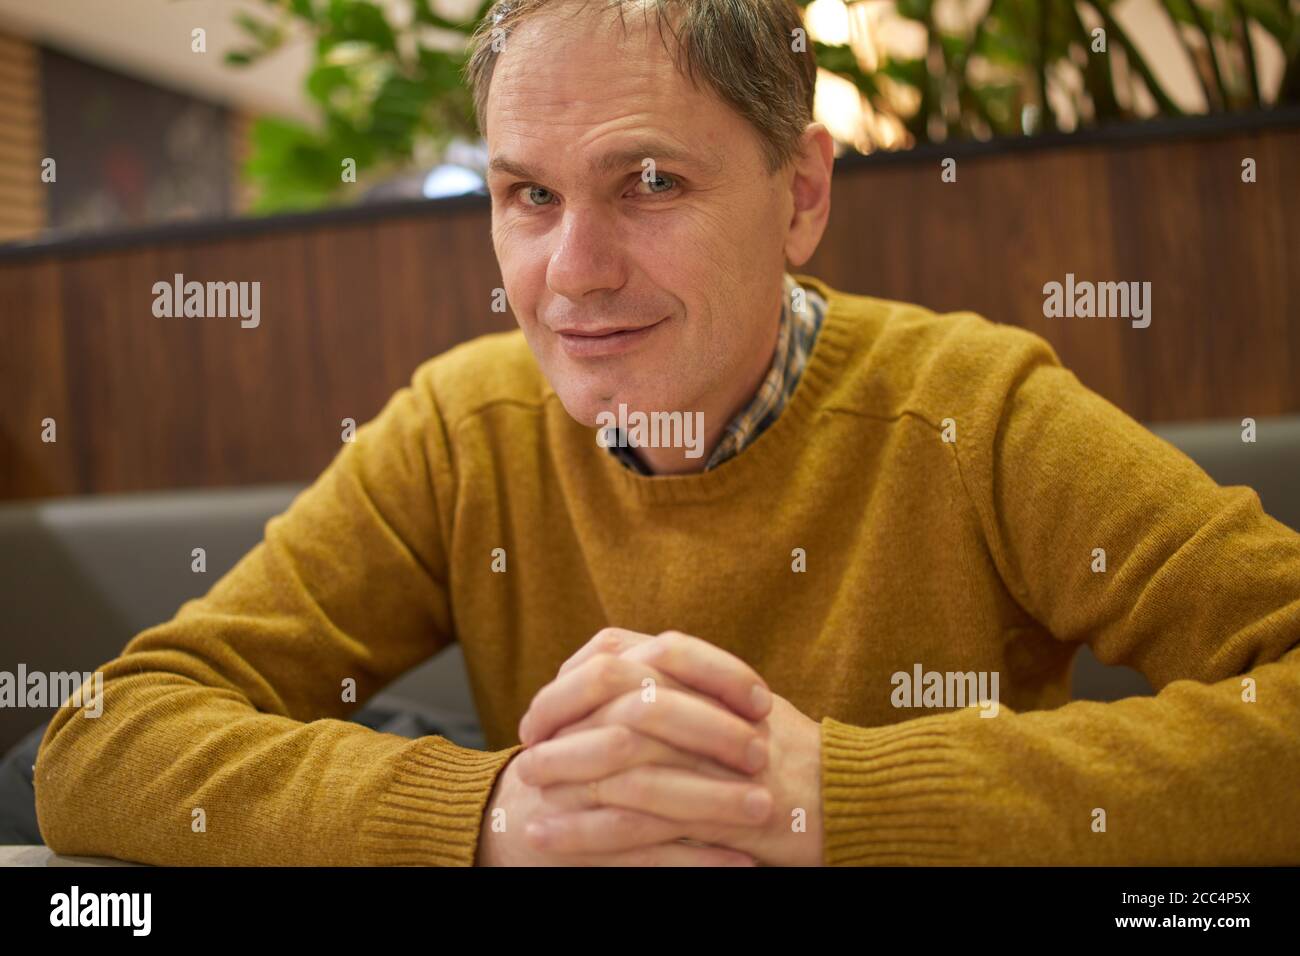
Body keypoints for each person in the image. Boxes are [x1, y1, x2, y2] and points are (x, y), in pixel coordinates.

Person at [34, 0, 1300, 866]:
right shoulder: (459, 429)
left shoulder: (972, 411)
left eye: (649, 183)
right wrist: (492, 814)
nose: (571, 273)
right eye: (528, 194)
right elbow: (106, 735)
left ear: (798, 194)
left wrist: (831, 802)